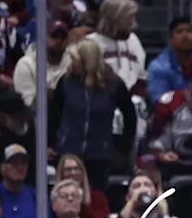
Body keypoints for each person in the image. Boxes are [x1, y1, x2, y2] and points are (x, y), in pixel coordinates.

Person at [49, 38, 137, 193]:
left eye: (75, 60)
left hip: (100, 154)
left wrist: (122, 149)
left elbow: (130, 117)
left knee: (97, 198)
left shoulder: (114, 84)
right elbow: (53, 114)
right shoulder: (66, 82)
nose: (71, 64)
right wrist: (50, 144)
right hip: (68, 151)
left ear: (86, 62)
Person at [13, 19, 72, 110]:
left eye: (63, 37)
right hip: (35, 120)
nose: (59, 40)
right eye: (54, 36)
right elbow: (26, 104)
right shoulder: (26, 64)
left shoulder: (72, 63)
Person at [0, 142, 36, 218]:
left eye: (23, 163)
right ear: (2, 167)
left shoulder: (36, 196)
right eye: (14, 163)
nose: (20, 167)